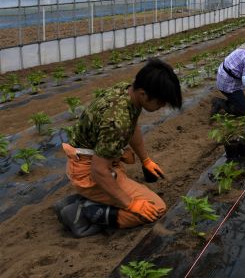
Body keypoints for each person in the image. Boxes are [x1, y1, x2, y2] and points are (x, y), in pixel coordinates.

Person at [55, 58, 182, 238]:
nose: (162, 106)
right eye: (160, 102)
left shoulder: (127, 91)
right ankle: (82, 213)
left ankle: (82, 199)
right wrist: (130, 204)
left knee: (126, 191)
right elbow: (99, 171)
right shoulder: (116, 121)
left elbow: (132, 127)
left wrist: (145, 160)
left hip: (93, 160)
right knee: (156, 208)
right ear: (144, 94)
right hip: (89, 171)